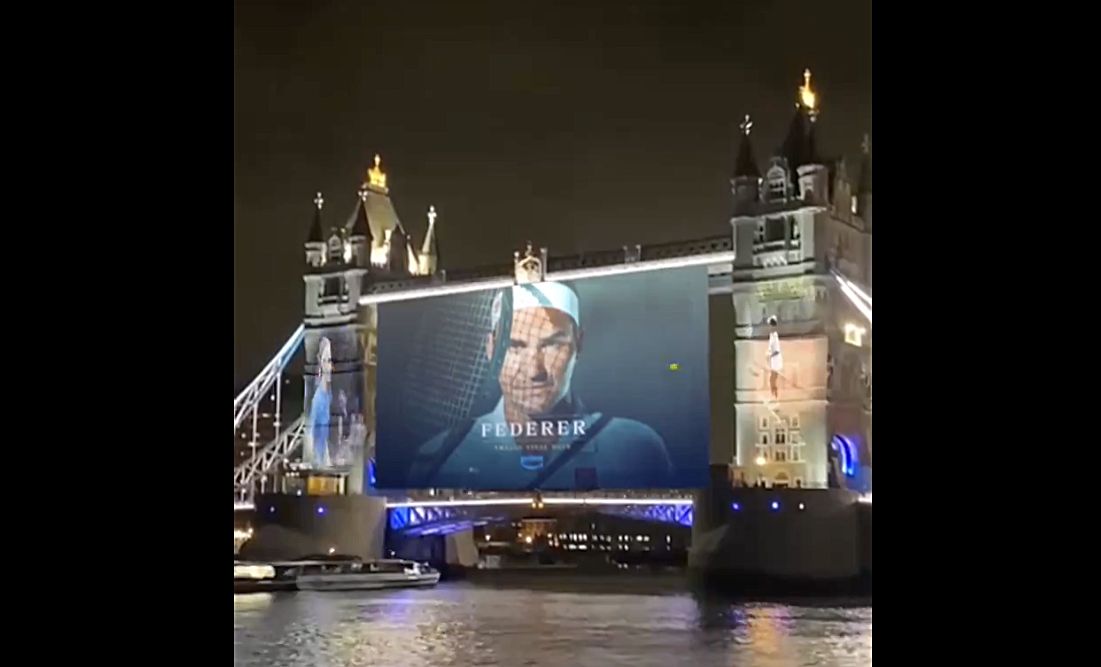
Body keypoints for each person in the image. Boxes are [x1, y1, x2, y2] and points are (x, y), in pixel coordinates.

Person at [407, 281, 673, 489]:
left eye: (552, 344)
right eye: (514, 347)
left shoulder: (638, 448)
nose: (534, 371)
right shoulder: (436, 457)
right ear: (491, 349)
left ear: (579, 345)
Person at [307, 336, 333, 468]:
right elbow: (312, 432)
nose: (330, 365)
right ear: (320, 362)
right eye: (326, 360)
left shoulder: (330, 395)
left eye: (330, 360)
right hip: (319, 462)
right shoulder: (318, 399)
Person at [767, 315, 782, 400]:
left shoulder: (775, 336)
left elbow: (776, 350)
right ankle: (774, 395)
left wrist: (770, 355)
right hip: (773, 359)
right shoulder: (772, 335)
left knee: (773, 379)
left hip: (776, 359)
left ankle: (775, 396)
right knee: (772, 379)